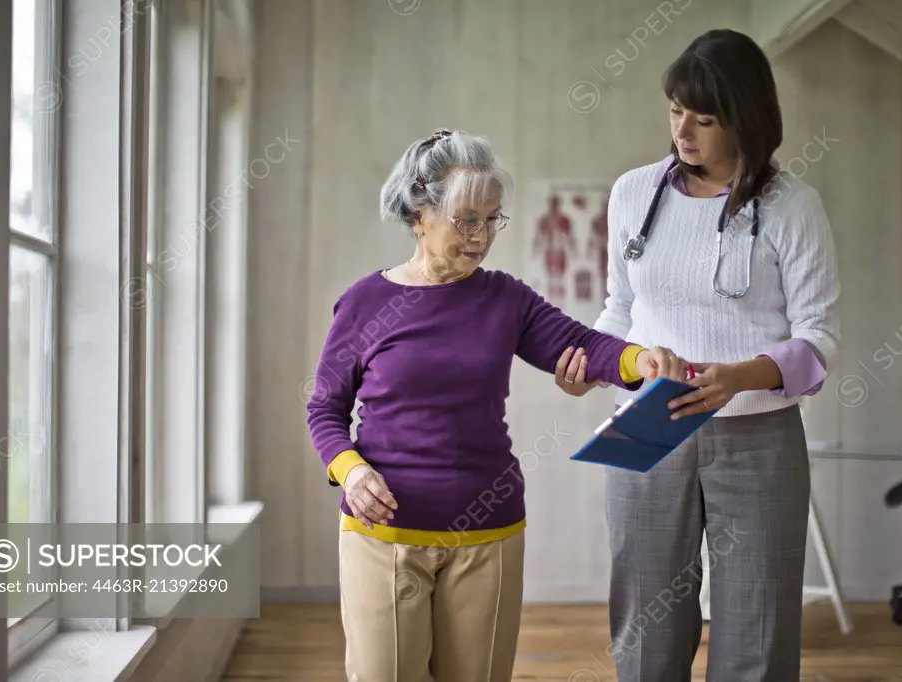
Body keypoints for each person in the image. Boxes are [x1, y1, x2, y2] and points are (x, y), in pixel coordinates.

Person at [304, 128, 686, 682]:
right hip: (384, 532)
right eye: (466, 220)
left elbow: (583, 345)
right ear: (420, 214)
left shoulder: (504, 297)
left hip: (488, 532)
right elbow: (324, 411)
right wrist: (352, 471)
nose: (481, 236)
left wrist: (640, 361)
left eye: (491, 219)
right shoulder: (367, 303)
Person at [554, 29, 841, 682]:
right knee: (645, 625)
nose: (684, 131)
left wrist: (740, 377)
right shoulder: (632, 194)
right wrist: (597, 366)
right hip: (648, 426)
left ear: (746, 118)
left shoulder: (793, 207)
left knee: (757, 627)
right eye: (676, 109)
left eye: (705, 118)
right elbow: (617, 310)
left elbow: (819, 338)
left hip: (758, 433)